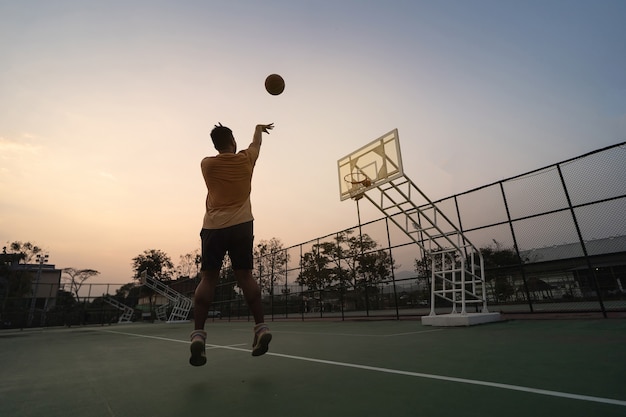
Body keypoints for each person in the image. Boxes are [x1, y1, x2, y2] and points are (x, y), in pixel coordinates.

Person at [189, 122, 274, 367]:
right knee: (245, 276)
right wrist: (258, 128)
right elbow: (256, 144)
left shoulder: (207, 164)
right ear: (233, 142)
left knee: (208, 280)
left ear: (215, 145)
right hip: (242, 225)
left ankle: (198, 335)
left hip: (213, 227)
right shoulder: (246, 160)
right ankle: (260, 327)